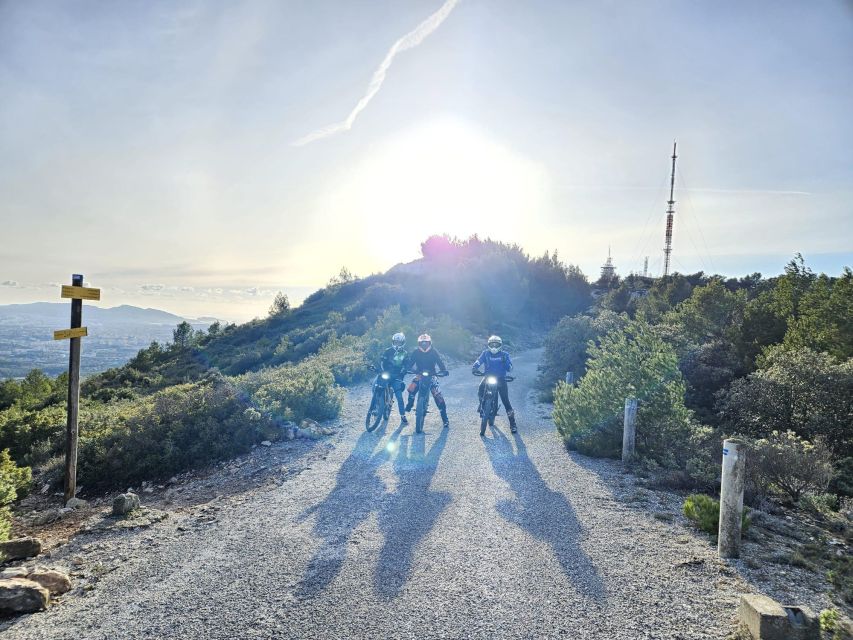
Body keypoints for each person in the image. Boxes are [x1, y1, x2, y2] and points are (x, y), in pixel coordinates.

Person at [472, 335, 517, 433]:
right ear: (488, 345)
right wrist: (475, 367)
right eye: (492, 344)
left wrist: (506, 363)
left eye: (496, 345)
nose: (494, 347)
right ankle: (482, 405)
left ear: (500, 345)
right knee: (480, 389)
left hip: (501, 379)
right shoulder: (485, 353)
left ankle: (513, 424)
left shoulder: (505, 355)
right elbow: (478, 361)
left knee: (506, 401)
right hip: (488, 377)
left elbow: (510, 368)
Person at [405, 333, 450, 428]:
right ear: (419, 343)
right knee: (411, 388)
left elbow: (440, 362)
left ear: (430, 343)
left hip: (432, 375)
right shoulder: (416, 352)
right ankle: (410, 403)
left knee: (438, 396)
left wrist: (443, 370)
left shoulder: (433, 352)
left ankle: (445, 419)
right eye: (422, 343)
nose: (424, 345)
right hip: (419, 374)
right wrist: (409, 368)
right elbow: (410, 363)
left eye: (426, 343)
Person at [376, 332, 410, 425]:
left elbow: (407, 365)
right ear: (393, 342)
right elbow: (382, 361)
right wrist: (380, 369)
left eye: (399, 342)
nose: (397, 344)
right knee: (378, 388)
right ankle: (375, 407)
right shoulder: (388, 351)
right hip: (386, 374)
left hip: (397, 376)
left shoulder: (405, 353)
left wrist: (404, 371)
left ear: (403, 343)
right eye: (395, 342)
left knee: (399, 396)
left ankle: (403, 415)